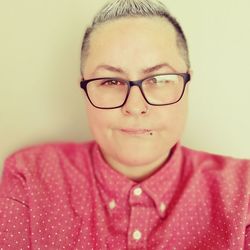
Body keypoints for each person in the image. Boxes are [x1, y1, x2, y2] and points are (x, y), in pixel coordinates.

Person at [0, 0, 249, 249]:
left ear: (187, 84)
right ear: (84, 88)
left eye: (159, 79)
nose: (135, 106)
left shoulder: (243, 193)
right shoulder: (30, 177)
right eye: (110, 81)